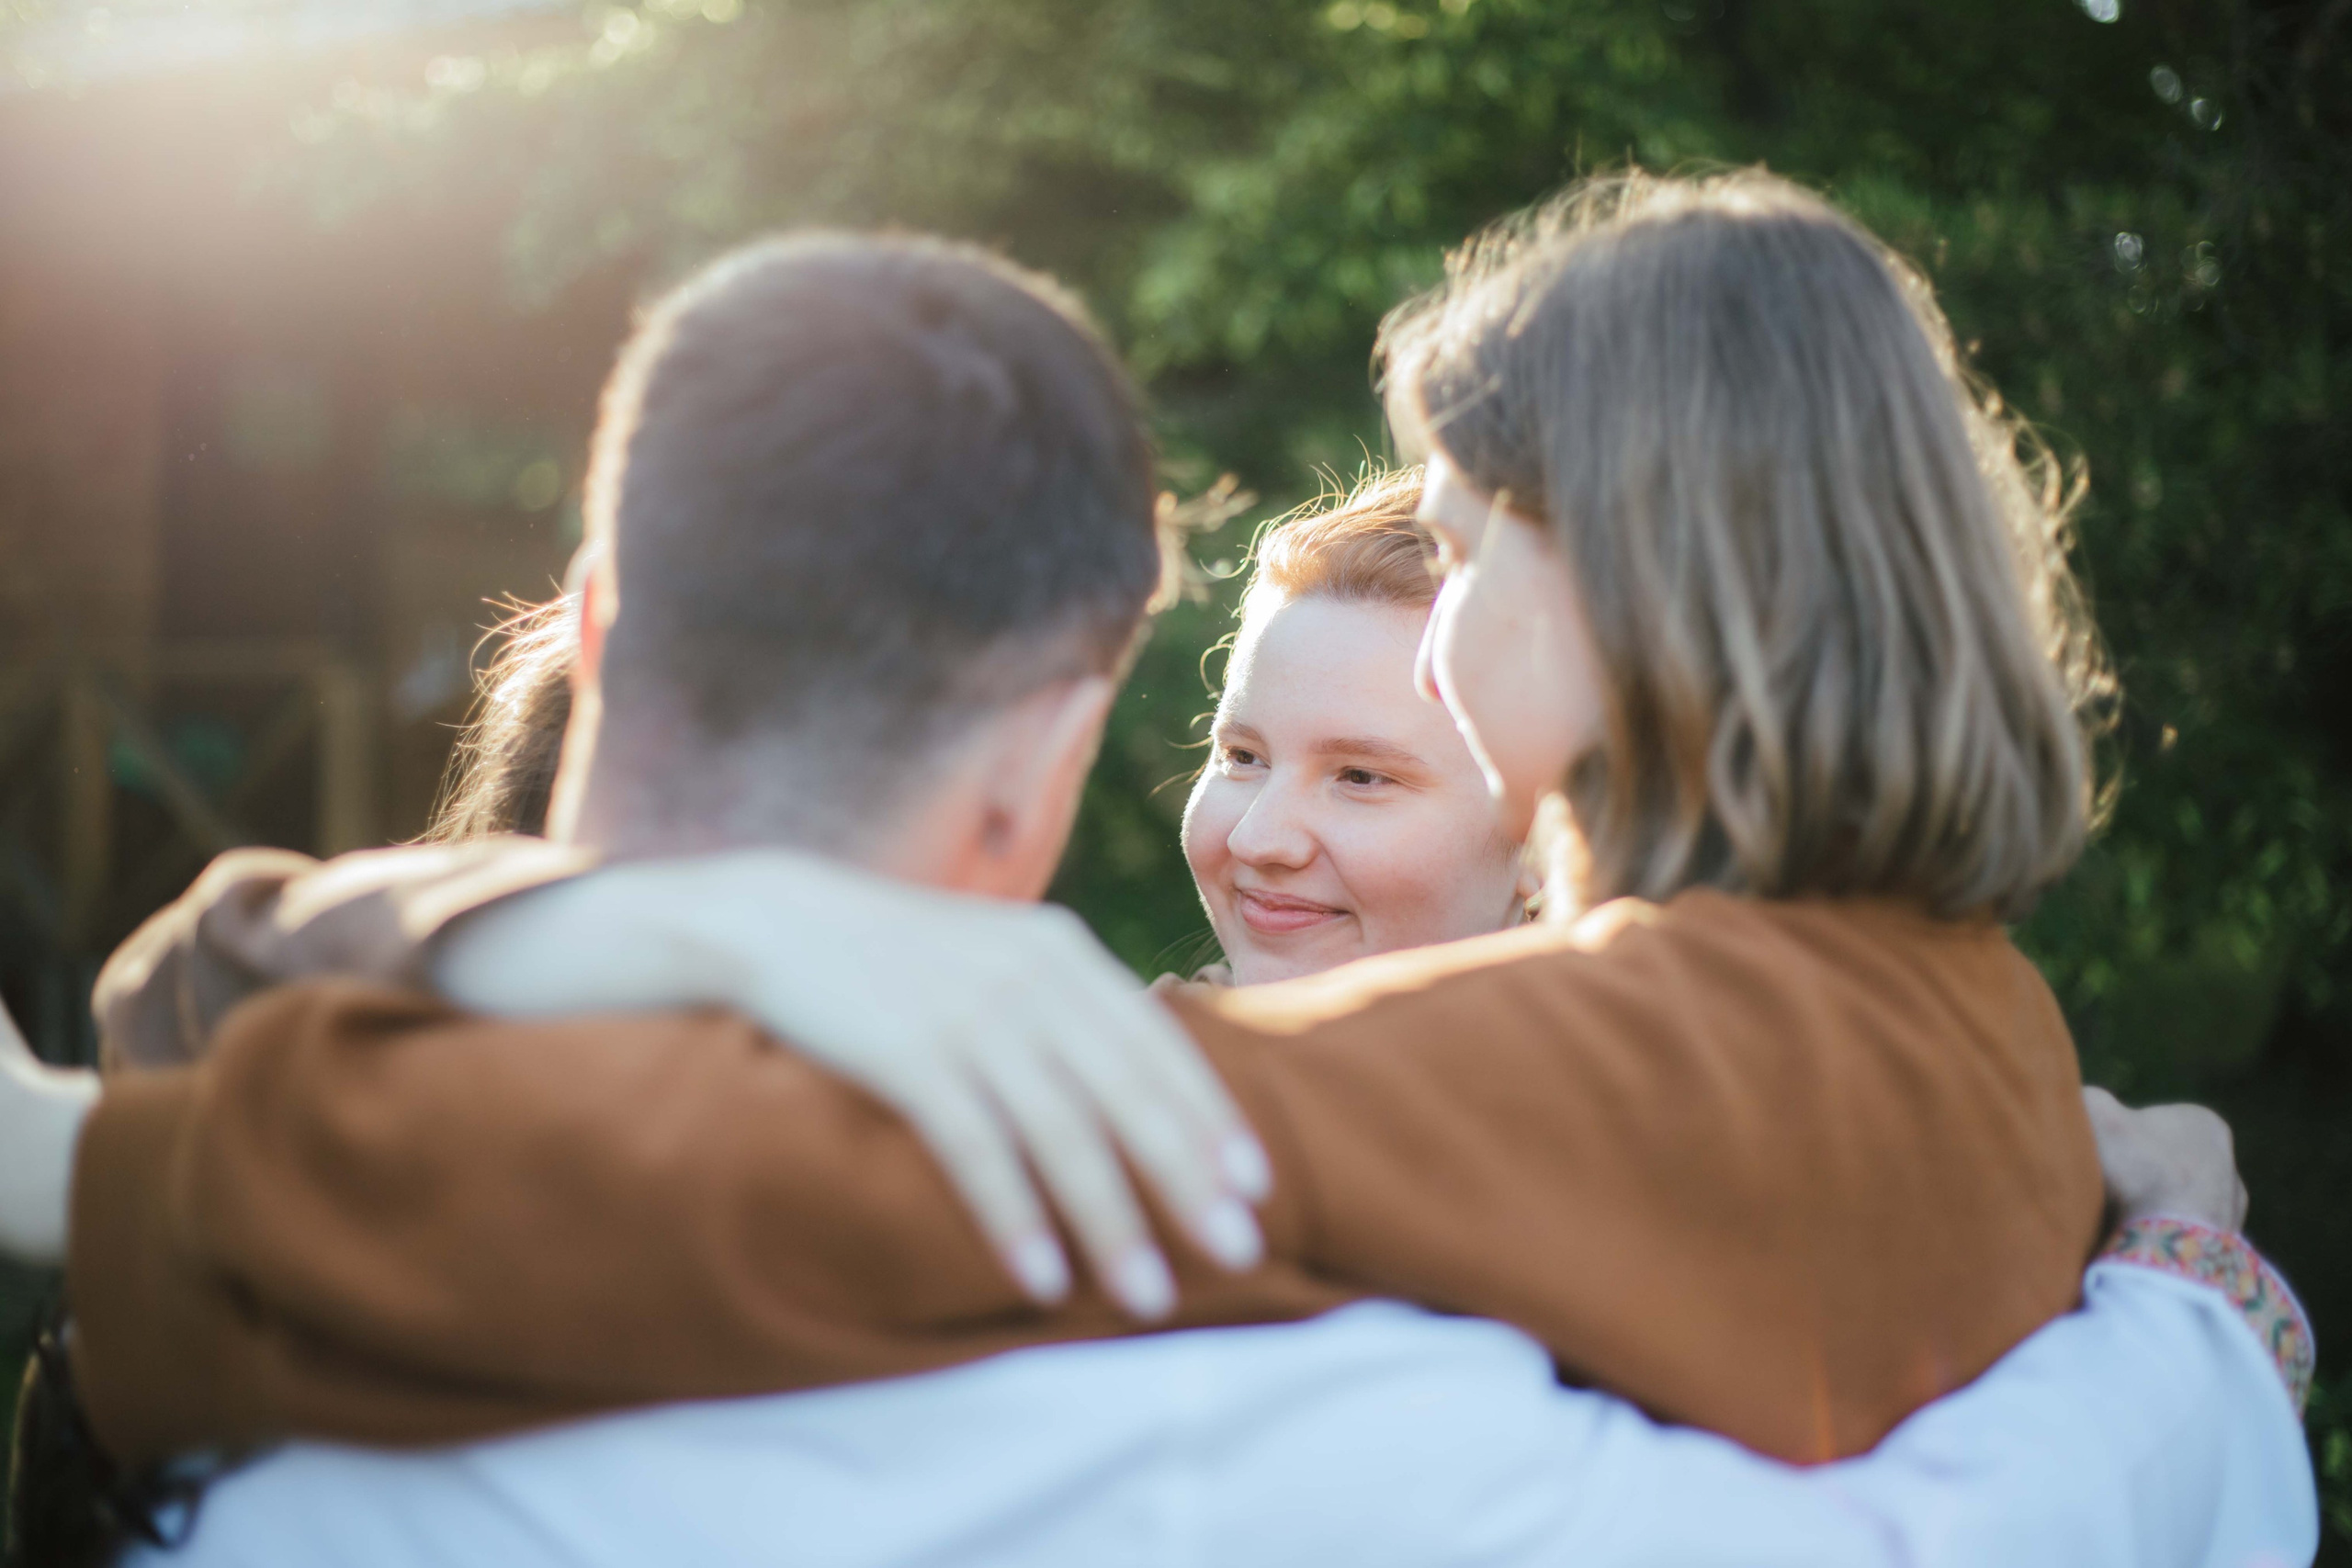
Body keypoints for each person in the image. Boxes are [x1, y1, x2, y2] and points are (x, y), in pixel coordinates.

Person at [0, 175, 2318, 1560]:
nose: (1439, 626)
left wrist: (82, 1171)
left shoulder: (1596, 1055)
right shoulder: (1980, 1037)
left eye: (1468, 544)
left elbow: (782, 1187)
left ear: (1634, 589)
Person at [1182, 468, 1538, 985]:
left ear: (1549, 837)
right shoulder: (1099, 1036)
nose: (1256, 840)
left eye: (1360, 777)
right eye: (1243, 757)